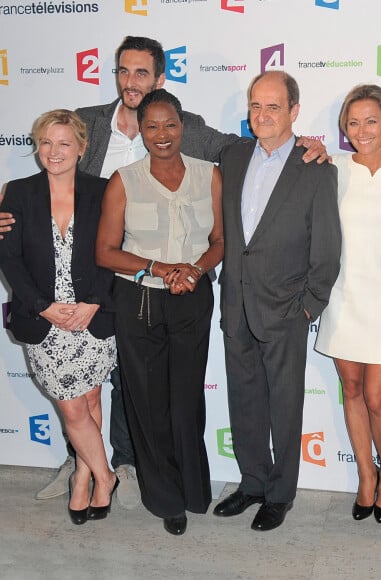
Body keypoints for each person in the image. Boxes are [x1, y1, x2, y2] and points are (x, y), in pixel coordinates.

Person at [0, 35, 326, 507]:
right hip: (104, 280)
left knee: (139, 393)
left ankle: (125, 466)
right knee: (95, 394)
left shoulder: (188, 129)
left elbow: (248, 146)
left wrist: (305, 146)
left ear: (159, 78)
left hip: (144, 292)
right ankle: (87, 468)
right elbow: (48, 174)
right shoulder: (86, 124)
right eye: (123, 71)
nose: (130, 82)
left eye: (141, 73)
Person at [213, 71, 341, 532]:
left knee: (285, 405)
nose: (262, 115)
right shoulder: (231, 156)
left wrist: (309, 304)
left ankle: (280, 494)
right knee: (244, 400)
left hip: (287, 308)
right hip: (235, 305)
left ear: (293, 112)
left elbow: (327, 247)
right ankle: (251, 482)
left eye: (272, 107)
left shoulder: (317, 168)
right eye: (255, 106)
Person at [95, 88, 223, 536]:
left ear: (183, 126)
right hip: (140, 302)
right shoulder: (123, 180)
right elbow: (107, 252)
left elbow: (220, 242)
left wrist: (195, 269)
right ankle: (166, 499)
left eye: (170, 124)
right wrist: (158, 267)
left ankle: (192, 489)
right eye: (152, 126)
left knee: (186, 400)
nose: (162, 134)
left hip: (192, 299)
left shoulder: (210, 175)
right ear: (142, 131)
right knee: (148, 404)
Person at [0, 110, 118, 525]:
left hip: (93, 316)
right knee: (73, 410)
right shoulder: (17, 192)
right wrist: (42, 306)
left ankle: (84, 477)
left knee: (90, 398)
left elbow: (115, 251)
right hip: (44, 320)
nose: (54, 152)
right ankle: (107, 476)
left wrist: (94, 302)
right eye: (46, 142)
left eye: (64, 143)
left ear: (82, 149)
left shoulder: (104, 191)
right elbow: (9, 259)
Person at [315, 84, 381, 524]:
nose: (362, 130)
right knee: (352, 389)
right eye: (353, 122)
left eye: (371, 121)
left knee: (379, 396)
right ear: (344, 128)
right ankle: (365, 476)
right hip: (343, 295)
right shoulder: (333, 169)